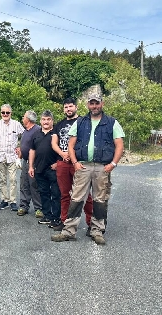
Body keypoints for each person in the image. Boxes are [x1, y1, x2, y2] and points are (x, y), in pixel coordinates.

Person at [52, 93, 125, 245]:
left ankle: (97, 231)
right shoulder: (80, 122)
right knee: (76, 198)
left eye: (97, 103)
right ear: (88, 105)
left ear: (102, 104)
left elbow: (119, 145)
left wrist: (113, 164)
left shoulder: (112, 123)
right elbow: (71, 145)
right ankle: (69, 231)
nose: (94, 106)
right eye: (91, 103)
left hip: (102, 167)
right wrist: (75, 163)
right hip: (83, 166)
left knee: (100, 199)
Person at [51, 98, 93, 231]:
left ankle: (92, 223)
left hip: (78, 163)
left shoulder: (84, 122)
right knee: (65, 194)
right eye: (66, 107)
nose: (68, 109)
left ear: (76, 107)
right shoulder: (59, 124)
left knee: (85, 194)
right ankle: (65, 221)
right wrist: (63, 154)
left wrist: (73, 155)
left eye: (70, 106)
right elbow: (54, 143)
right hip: (62, 162)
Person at [28, 110, 62, 229]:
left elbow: (63, 148)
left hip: (53, 169)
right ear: (40, 121)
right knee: (44, 193)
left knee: (56, 194)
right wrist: (31, 166)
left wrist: (58, 163)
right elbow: (32, 150)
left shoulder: (56, 133)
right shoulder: (36, 134)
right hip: (39, 169)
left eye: (48, 119)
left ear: (52, 120)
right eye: (43, 119)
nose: (46, 122)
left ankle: (56, 217)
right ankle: (47, 216)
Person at [0, 104, 24, 211]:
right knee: (2, 179)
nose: (5, 114)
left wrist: (20, 147)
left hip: (12, 156)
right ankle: (4, 200)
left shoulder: (16, 124)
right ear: (0, 113)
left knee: (13, 179)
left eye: (7, 112)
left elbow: (25, 136)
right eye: (3, 112)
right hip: (0, 156)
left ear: (10, 113)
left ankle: (13, 201)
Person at [15, 110, 43, 217]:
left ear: (28, 119)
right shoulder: (25, 131)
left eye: (24, 117)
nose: (22, 118)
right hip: (25, 161)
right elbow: (23, 146)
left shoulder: (37, 130)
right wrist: (19, 158)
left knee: (34, 185)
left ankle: (38, 208)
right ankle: (23, 206)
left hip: (35, 163)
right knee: (24, 184)